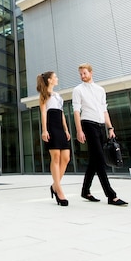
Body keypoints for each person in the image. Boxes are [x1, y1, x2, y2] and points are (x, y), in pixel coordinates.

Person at [72, 63, 128, 206]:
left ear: (91, 72)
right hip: (88, 124)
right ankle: (111, 196)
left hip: (100, 125)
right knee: (100, 159)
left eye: (84, 73)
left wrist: (110, 128)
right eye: (80, 74)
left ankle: (85, 190)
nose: (82, 76)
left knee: (94, 160)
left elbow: (104, 110)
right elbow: (77, 112)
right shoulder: (78, 90)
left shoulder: (100, 90)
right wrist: (79, 130)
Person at [37, 71, 71, 206]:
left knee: (66, 158)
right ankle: (59, 190)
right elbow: (44, 114)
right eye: (55, 77)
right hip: (51, 127)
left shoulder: (58, 96)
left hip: (60, 128)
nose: (57, 78)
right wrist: (44, 130)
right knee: (55, 157)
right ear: (50, 80)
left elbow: (62, 114)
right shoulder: (44, 95)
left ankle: (54, 186)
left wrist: (66, 129)